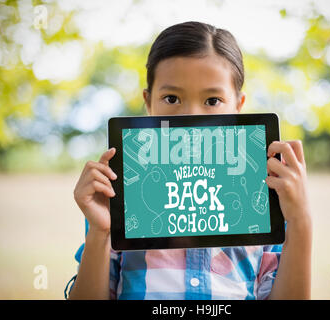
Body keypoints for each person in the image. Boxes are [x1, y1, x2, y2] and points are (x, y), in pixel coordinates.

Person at [65, 21, 312, 300]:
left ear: (238, 106)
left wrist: (300, 220)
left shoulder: (265, 203)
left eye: (212, 100)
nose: (189, 118)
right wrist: (99, 232)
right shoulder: (117, 200)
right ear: (148, 103)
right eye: (171, 98)